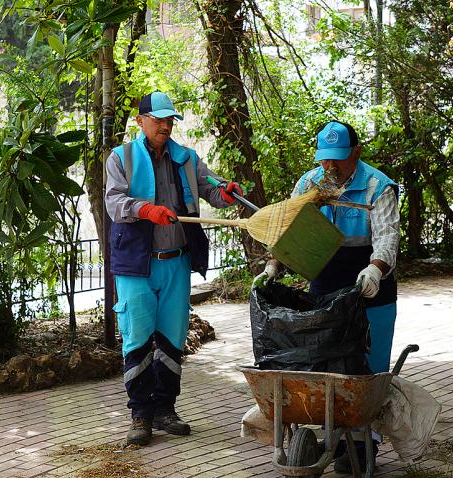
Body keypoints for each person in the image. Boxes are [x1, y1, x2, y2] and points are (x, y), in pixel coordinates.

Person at [255, 120, 399, 472]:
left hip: (370, 290)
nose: (330, 166)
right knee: (325, 365)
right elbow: (288, 231)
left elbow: (387, 237)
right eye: (325, 159)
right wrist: (274, 265)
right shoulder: (309, 184)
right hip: (324, 291)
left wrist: (375, 269)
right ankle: (333, 434)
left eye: (338, 158)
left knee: (367, 370)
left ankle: (365, 443)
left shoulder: (377, 187)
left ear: (356, 152)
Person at [105, 91, 244, 446]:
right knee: (137, 339)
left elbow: (211, 188)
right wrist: (144, 209)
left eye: (170, 120)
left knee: (171, 339)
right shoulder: (121, 158)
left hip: (176, 261)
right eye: (159, 119)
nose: (166, 125)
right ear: (140, 121)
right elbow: (114, 202)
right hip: (136, 265)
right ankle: (140, 416)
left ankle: (165, 409)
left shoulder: (185, 158)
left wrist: (225, 192)